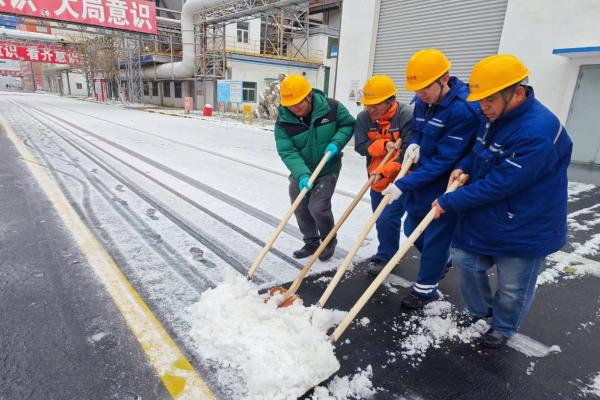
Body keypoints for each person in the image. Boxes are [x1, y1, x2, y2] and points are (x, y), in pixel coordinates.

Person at [433, 54, 573, 348]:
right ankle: (479, 311)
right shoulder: (494, 115)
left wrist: (450, 201)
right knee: (465, 260)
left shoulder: (537, 132)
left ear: (518, 93)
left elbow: (501, 184)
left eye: (490, 100)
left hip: (527, 221)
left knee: (512, 286)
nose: (483, 107)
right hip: (491, 214)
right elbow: (481, 149)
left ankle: (503, 326)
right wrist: (466, 167)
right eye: (481, 100)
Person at [382, 49, 481, 309]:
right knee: (411, 227)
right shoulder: (423, 101)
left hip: (446, 180)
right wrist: (414, 145)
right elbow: (417, 130)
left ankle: (425, 289)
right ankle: (441, 261)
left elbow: (445, 160)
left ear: (444, 79)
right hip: (422, 176)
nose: (420, 93)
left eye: (425, 88)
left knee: (436, 234)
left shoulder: (463, 110)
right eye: (416, 89)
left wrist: (403, 184)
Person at [274, 74, 355, 261]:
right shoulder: (284, 120)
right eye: (290, 105)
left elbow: (348, 125)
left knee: (318, 207)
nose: (295, 109)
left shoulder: (331, 108)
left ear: (309, 96)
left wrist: (337, 142)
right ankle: (311, 242)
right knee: (300, 206)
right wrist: (302, 174)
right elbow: (287, 151)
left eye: (299, 103)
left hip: (327, 168)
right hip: (301, 170)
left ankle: (328, 242)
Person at [353, 75, 413, 275]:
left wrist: (387, 170)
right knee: (380, 219)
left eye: (375, 105)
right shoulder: (364, 118)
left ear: (390, 100)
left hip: (401, 179)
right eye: (367, 105)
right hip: (376, 179)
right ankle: (387, 252)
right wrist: (383, 145)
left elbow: (408, 153)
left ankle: (385, 257)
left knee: (389, 218)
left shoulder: (405, 115)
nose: (371, 109)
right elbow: (361, 146)